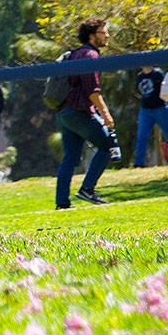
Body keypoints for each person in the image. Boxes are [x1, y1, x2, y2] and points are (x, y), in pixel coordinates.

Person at [54, 17, 119, 209]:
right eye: (103, 32)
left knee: (70, 157)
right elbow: (92, 90)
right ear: (92, 35)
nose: (107, 35)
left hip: (64, 113)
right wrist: (106, 114)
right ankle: (87, 189)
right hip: (79, 112)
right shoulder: (90, 56)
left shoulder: (75, 53)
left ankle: (62, 202)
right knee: (107, 146)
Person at [130, 64, 168, 168]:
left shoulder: (158, 74)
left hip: (160, 108)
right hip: (145, 110)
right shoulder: (140, 76)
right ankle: (139, 163)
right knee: (141, 136)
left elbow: (166, 90)